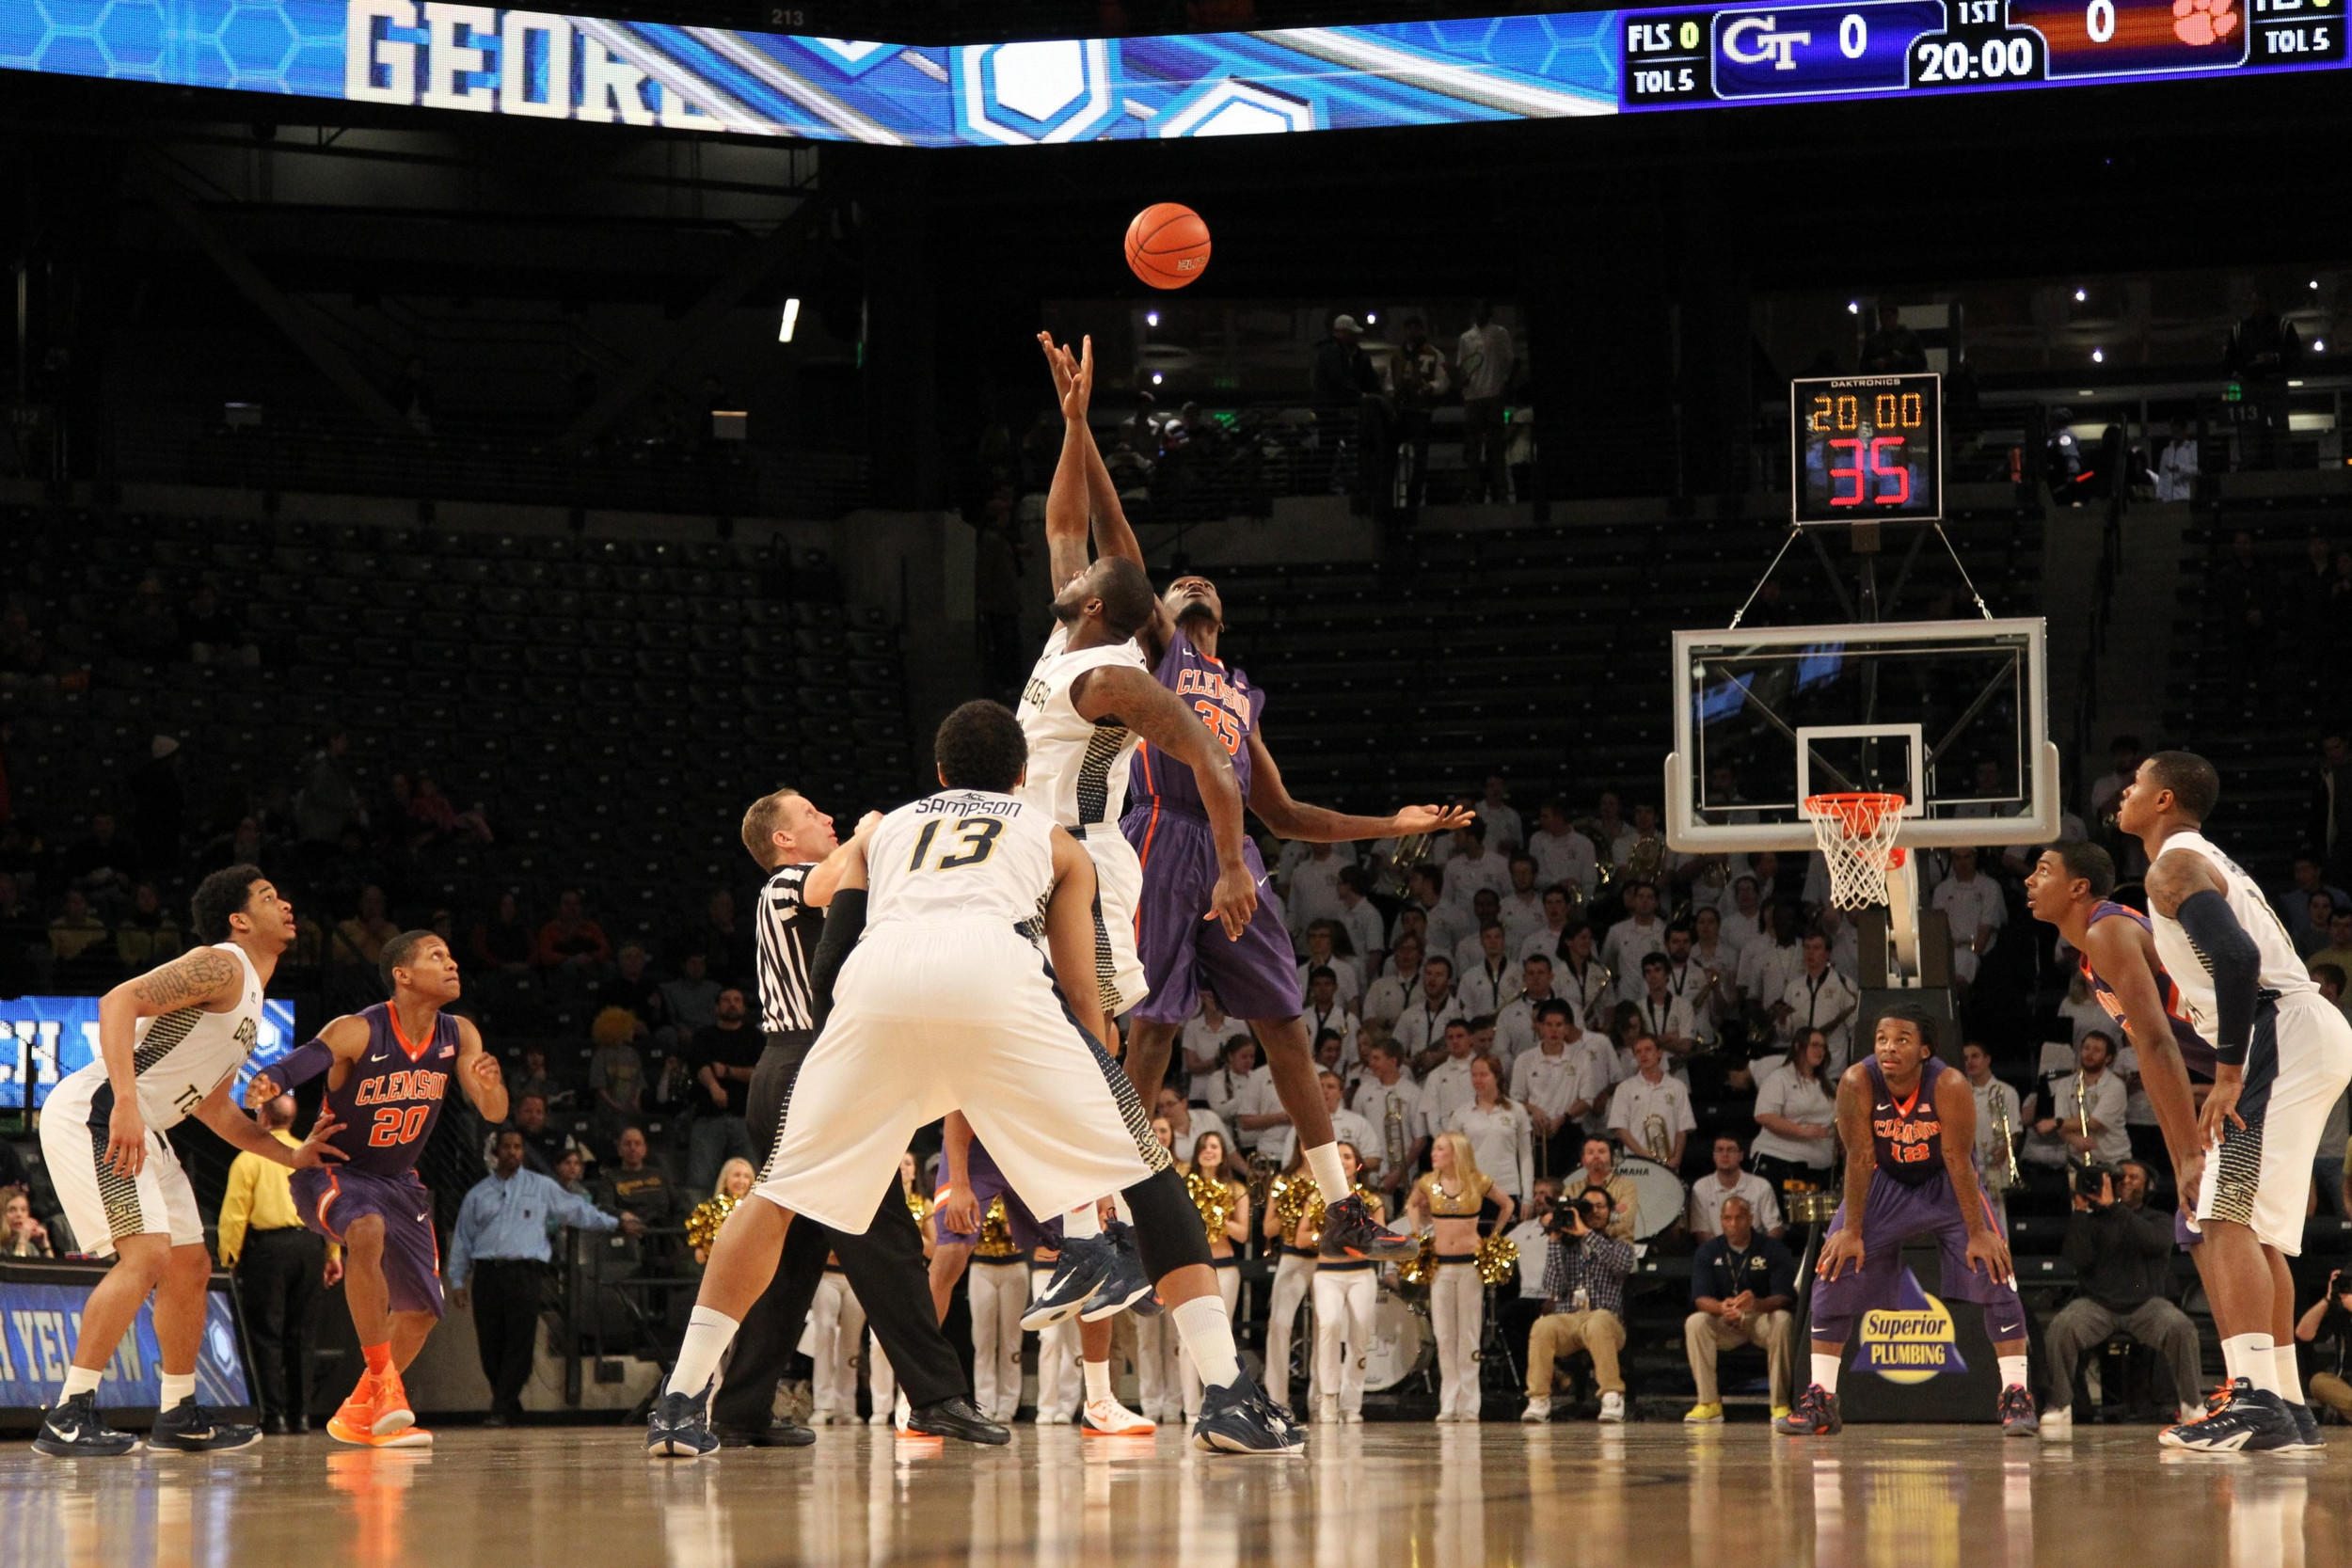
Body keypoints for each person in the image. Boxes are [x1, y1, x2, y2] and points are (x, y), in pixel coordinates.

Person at [646, 701, 1297, 1458]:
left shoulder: (883, 829)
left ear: (941, 773)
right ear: (1022, 775)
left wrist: (843, 1053)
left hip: (875, 992)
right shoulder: (1054, 839)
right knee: (1150, 1177)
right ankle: (1225, 1394)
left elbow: (832, 960)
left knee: (776, 1195)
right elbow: (1084, 994)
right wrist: (1093, 1093)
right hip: (996, 980)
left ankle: (682, 1402)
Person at [1035, 338, 1461, 1268]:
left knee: (1284, 1023)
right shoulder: (1155, 649)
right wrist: (1082, 426)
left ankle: (1343, 1206)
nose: (1187, 582)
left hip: (1234, 852)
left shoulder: (1239, 690)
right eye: (1177, 581)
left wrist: (1392, 825)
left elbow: (1286, 814)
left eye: (1202, 585)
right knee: (1148, 1027)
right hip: (1154, 840)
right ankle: (1107, 1209)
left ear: (1219, 613)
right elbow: (1113, 537)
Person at [703, 785, 987, 1449]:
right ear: (781, 839)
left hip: (813, 1070)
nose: (825, 818)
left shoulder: (824, 884)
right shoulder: (785, 884)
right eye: (810, 814)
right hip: (803, 1065)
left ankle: (740, 1409)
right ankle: (939, 1396)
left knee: (795, 1256)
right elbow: (835, 879)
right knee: (883, 1235)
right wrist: (870, 830)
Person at [31, 865, 342, 1459]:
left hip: (146, 1124)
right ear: (239, 919)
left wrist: (293, 1154)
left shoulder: (250, 997)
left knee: (189, 1264)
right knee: (146, 1254)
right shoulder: (223, 963)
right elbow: (119, 1000)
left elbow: (217, 1112)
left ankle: (177, 1413)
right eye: (269, 897)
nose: (287, 904)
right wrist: (124, 1101)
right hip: (99, 1112)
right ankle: (69, 1414)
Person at [2124, 751, 2352, 1451]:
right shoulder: (2201, 857)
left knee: (2221, 1214)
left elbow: (2239, 960)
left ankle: (2252, 1401)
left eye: (2135, 783)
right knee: (2256, 1229)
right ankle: (2285, 1400)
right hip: (2301, 1034)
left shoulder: (2172, 865)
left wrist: (2227, 1074)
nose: (2124, 793)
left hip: (2275, 1032)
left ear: (2164, 799)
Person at [245, 929, 512, 1447]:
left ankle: (356, 1412)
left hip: (399, 1183)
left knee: (420, 1312)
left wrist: (491, 1082)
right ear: (403, 975)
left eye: (452, 955)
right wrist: (273, 1079)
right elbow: (307, 1058)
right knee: (365, 1231)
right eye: (438, 956)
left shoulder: (460, 1033)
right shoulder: (360, 1029)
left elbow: (494, 1112)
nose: (453, 963)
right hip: (333, 1170)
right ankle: (387, 1389)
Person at [1775, 1004, 2029, 1437]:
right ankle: (1821, 1399)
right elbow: (1859, 1157)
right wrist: (1851, 1231)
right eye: (1881, 1040)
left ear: (1925, 1050)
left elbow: (1957, 1159)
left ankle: (2015, 1396)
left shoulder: (1949, 1084)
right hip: (1884, 1182)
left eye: (1902, 1041)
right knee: (1832, 1269)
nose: (1889, 1048)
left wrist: (1978, 1233)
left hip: (1946, 1183)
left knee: (1996, 1268)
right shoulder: (1858, 1081)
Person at [449, 1128, 629, 1427]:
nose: (513, 1152)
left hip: (524, 1273)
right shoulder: (477, 1194)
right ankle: (508, 1404)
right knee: (490, 1344)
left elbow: (577, 1210)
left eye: (518, 1147)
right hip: (487, 1274)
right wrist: (457, 1280)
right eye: (506, 1147)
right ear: (496, 1153)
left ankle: (501, 1407)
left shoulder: (541, 1187)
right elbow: (463, 1239)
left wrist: (615, 1224)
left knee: (520, 1342)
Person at [2040, 1161, 2204, 1436]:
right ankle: (2060, 1405)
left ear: (2148, 1185)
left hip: (2146, 1305)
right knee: (2061, 1327)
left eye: (2135, 1177)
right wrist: (2081, 1212)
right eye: (2122, 1177)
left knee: (2180, 1327)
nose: (2127, 1181)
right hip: (2097, 1305)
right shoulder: (2092, 1220)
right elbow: (2077, 1259)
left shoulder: (2158, 1219)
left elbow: (2155, 1242)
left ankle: (2192, 1403)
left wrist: (2114, 1208)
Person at [216, 1092, 333, 1435]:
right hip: (310, 1247)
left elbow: (235, 1214)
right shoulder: (310, 1157)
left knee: (267, 1334)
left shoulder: (249, 1159)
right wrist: (333, 1254)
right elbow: (327, 1207)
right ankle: (302, 1416)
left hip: (269, 1250)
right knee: (303, 1335)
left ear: (263, 1118)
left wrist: (230, 1258)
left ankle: (274, 1415)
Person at [1410, 1130, 1516, 1423]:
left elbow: (1508, 1204)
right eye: (1434, 1149)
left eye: (1441, 1149)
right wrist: (1418, 1233)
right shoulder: (1428, 1182)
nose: (1434, 1153)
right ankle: (1448, 1403)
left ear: (1456, 1153)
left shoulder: (1477, 1180)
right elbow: (1411, 1204)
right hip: (1441, 1267)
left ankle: (1470, 1405)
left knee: (1469, 1334)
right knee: (1444, 1335)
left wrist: (1493, 1237)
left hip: (1470, 1266)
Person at [1520, 1186, 1634, 1424]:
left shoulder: (1620, 1245)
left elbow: (1621, 1266)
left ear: (1610, 1212)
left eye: (1601, 1206)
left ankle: (1612, 1396)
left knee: (1598, 1321)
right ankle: (1539, 1399)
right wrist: (1554, 1240)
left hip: (1606, 1320)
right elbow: (1553, 1286)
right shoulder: (1565, 1247)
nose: (1594, 1211)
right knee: (1542, 1327)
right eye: (1588, 1207)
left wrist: (1586, 1233)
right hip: (1569, 1319)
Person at [1683, 1195, 1798, 1424]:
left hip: (1760, 1318)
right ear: (1721, 1221)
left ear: (1750, 1219)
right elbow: (1700, 1299)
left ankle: (1780, 1404)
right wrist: (1721, 1307)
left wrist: (1756, 1304)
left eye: (1739, 1218)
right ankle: (1708, 1403)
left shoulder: (1773, 1250)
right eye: (1727, 1218)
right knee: (1695, 1322)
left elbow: (1784, 1297)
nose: (1733, 1224)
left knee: (1783, 1319)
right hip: (1725, 1320)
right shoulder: (1708, 1251)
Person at [1309, 1142, 1386, 1425]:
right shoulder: (1317, 1198)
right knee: (1328, 1326)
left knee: (1360, 1336)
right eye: (1337, 1156)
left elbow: (1379, 1243)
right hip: (1327, 1273)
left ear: (1358, 1164)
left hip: (1361, 1274)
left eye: (1348, 1156)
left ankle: (1351, 1404)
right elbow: (1301, 1236)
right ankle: (1328, 1398)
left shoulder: (1372, 1201)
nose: (1342, 1161)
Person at [684, 988, 759, 1192]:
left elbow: (759, 1074)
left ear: (744, 1006)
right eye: (726, 1000)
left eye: (737, 1000)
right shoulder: (704, 1035)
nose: (732, 1004)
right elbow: (700, 1066)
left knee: (748, 1180)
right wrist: (714, 1087)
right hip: (709, 1116)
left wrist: (726, 1071)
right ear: (717, 1007)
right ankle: (700, 1223)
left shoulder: (755, 1037)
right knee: (700, 1181)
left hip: (745, 1117)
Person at [1446, 1053, 1534, 1204]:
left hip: (1508, 1189)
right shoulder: (1461, 1114)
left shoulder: (1516, 1110)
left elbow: (1525, 1156)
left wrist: (1528, 1197)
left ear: (1496, 1077)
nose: (1477, 1080)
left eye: (1483, 1075)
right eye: (1474, 1075)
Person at [1606, 1036, 1694, 1171]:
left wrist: (1677, 1157)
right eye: (1638, 1052)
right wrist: (1645, 1156)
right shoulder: (1625, 1088)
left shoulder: (1678, 1087)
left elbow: (1682, 1128)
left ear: (1659, 1053)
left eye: (1648, 1049)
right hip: (1635, 1164)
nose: (1643, 1055)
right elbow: (1620, 1128)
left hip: (1668, 1164)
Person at [1455, 301, 1515, 503]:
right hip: (1472, 398)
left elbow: (1509, 361)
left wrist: (1503, 386)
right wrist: (1462, 379)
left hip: (1493, 395)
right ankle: (1474, 492)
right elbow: (1462, 366)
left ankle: (1500, 491)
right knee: (1472, 448)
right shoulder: (1465, 338)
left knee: (1495, 448)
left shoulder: (1500, 333)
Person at [1688, 1134, 1785, 1241]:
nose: (1725, 1154)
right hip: (1716, 1251)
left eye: (1731, 1150)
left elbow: (1775, 1227)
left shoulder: (1761, 1185)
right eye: (1720, 1150)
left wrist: (1762, 1250)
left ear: (1741, 1156)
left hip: (1756, 1250)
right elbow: (1701, 1231)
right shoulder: (1701, 1187)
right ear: (1714, 1156)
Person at [2293, 1268, 2352, 1425]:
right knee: (2318, 1382)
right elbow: (2303, 1334)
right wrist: (2328, 1298)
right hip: (2345, 1386)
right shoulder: (2341, 1313)